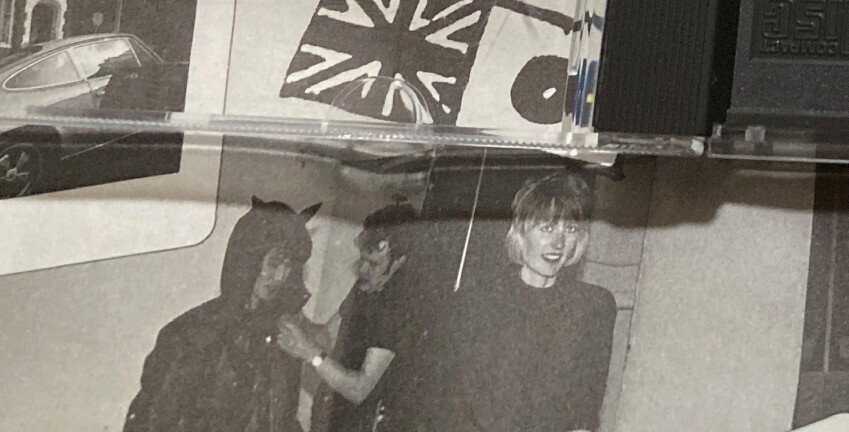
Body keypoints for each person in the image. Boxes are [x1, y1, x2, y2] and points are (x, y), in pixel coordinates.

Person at [419, 171, 617, 432]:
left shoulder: (593, 307)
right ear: (521, 232)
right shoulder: (477, 302)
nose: (559, 243)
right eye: (547, 228)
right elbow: (453, 402)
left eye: (570, 230)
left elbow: (586, 407)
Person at [124, 197, 320, 432]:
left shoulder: (284, 338)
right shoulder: (192, 334)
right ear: (248, 260)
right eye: (274, 263)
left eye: (288, 266)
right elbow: (150, 421)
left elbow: (283, 421)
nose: (280, 276)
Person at [279, 202, 420, 432]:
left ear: (399, 262)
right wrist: (294, 325)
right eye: (362, 259)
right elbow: (328, 333)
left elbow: (359, 390)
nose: (362, 269)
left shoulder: (399, 308)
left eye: (373, 263)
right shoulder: (367, 287)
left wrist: (310, 353)